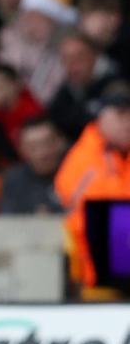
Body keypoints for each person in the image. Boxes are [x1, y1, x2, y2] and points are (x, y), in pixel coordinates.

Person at [54, 84, 130, 292]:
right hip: (96, 276)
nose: (127, 123)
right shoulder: (84, 158)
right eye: (121, 114)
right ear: (101, 117)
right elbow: (101, 213)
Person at [0, 116, 66, 214]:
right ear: (22, 150)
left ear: (60, 142)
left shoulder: (80, 173)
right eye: (33, 147)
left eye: (47, 143)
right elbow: (7, 219)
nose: (42, 153)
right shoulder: (13, 179)